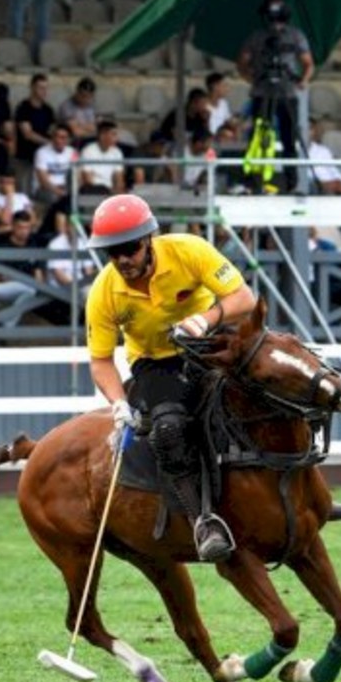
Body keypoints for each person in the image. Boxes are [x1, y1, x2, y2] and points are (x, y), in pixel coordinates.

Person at [84, 194, 256, 562]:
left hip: (212, 341)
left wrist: (205, 319)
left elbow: (244, 298)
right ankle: (203, 523)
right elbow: (100, 361)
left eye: (129, 248)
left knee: (276, 382)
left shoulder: (190, 250)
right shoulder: (103, 292)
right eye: (112, 252)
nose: (122, 260)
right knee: (169, 431)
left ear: (149, 239)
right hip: (155, 364)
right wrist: (118, 403)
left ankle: (310, 491)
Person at [237, 0, 314, 190]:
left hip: (287, 92)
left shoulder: (296, 35)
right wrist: (251, 78)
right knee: (259, 135)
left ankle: (291, 181)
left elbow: (307, 63)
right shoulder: (257, 37)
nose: (275, 24)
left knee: (289, 137)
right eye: (272, 19)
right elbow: (242, 61)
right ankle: (254, 179)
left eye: (279, 19)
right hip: (262, 92)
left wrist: (303, 81)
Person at [13, 74, 56, 192]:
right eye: (40, 87)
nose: (44, 91)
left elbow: (52, 130)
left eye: (46, 88)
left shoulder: (48, 110)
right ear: (32, 88)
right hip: (26, 156)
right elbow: (28, 134)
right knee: (23, 188)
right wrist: (49, 142)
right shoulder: (23, 108)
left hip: (44, 157)